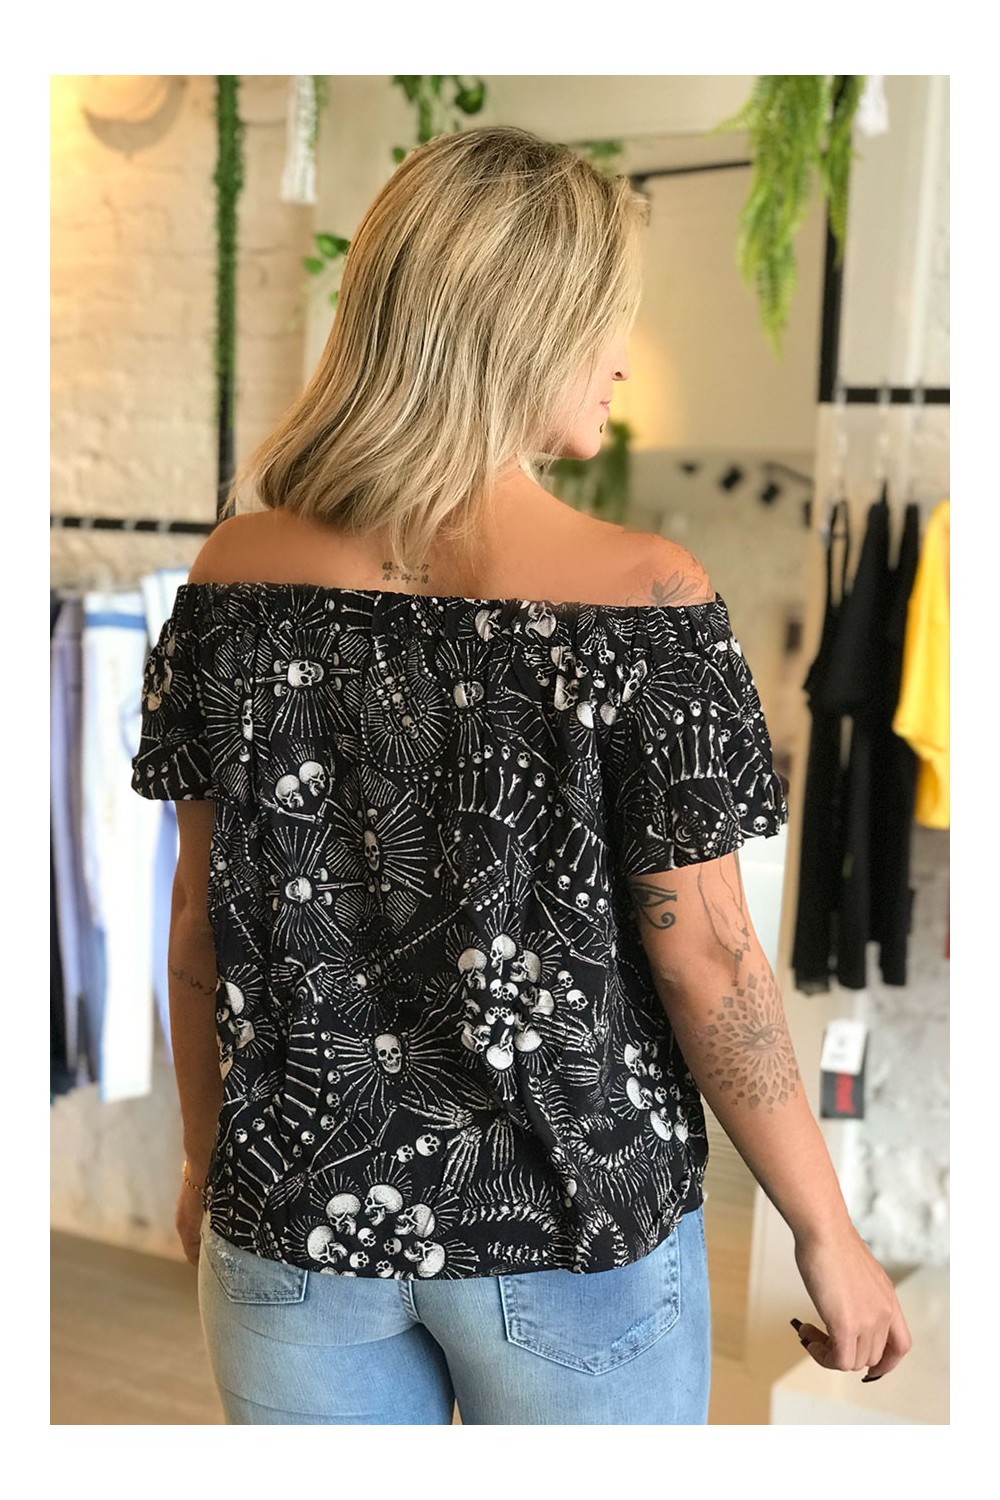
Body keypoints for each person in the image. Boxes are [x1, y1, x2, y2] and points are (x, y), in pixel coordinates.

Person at [130, 124, 911, 1425]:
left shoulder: (234, 577)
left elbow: (200, 921)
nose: (620, 360)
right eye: (607, 322)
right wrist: (827, 1233)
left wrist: (208, 1159)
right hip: (570, 1226)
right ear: (523, 330)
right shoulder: (644, 599)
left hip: (291, 1218)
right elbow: (710, 959)